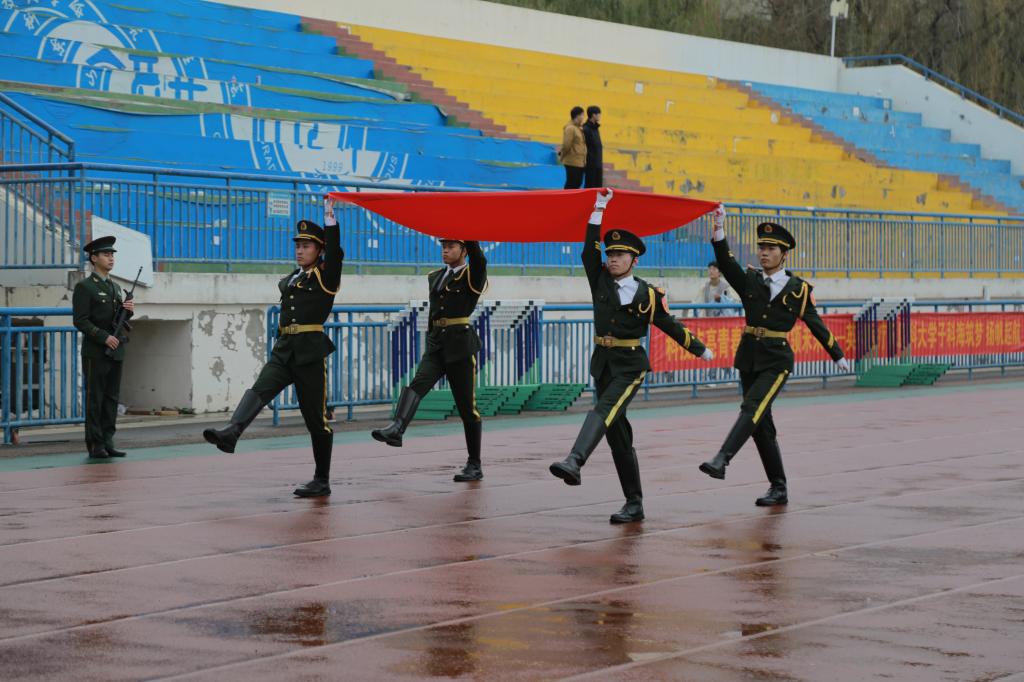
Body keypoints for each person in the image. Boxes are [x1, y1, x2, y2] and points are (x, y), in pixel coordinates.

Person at [549, 189, 713, 523]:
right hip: (603, 363)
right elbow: (588, 249)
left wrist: (699, 349)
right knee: (618, 435)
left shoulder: (648, 295)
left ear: (634, 260)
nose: (612, 259)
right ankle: (634, 503)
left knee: (604, 410)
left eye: (620, 255)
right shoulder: (599, 280)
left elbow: (669, 325)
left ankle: (575, 460)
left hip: (630, 366)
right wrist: (598, 210)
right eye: (610, 253)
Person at [699, 205, 850, 506]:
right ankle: (778, 486)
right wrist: (719, 228)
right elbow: (726, 262)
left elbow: (816, 323)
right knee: (760, 424)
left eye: (771, 248)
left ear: (784, 254)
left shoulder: (798, 290)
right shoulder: (750, 280)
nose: (764, 253)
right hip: (749, 357)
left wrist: (837, 354)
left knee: (752, 407)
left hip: (777, 361)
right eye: (762, 247)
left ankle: (722, 459)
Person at [203, 198, 343, 498]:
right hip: (285, 348)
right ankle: (232, 432)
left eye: (306, 246)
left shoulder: (325, 276)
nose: (300, 250)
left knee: (316, 420)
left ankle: (322, 479)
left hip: (309, 353)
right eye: (298, 245)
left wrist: (330, 219)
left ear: (319, 250)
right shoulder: (294, 278)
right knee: (260, 388)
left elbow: (336, 253)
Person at [371, 238, 489, 482]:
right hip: (436, 345)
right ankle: (397, 428)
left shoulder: (472, 275)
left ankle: (474, 464)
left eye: (451, 246)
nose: (445, 250)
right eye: (443, 245)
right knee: (418, 384)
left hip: (460, 347)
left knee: (467, 408)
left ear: (464, 250)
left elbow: (479, 260)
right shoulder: (435, 276)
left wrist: (470, 234)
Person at [72, 236, 135, 459]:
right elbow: (80, 320)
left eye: (112, 255)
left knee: (111, 398)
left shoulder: (115, 287)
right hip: (96, 351)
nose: (111, 258)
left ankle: (108, 441)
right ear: (94, 258)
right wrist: (103, 337)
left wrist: (128, 310)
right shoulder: (85, 287)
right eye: (106, 255)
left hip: (116, 350)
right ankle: (95, 444)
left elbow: (118, 318)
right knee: (95, 399)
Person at [557, 106, 587, 189]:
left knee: (577, 183)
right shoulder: (570, 128)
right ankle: (566, 197)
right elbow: (566, 145)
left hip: (579, 162)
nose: (583, 117)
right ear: (577, 116)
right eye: (582, 115)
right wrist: (562, 157)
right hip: (572, 162)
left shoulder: (578, 128)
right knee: (571, 184)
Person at [582, 105, 603, 188]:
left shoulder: (596, 128)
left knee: (598, 187)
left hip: (598, 162)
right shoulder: (586, 128)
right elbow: (584, 146)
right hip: (590, 163)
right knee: (590, 186)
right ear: (593, 115)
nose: (599, 116)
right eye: (598, 114)